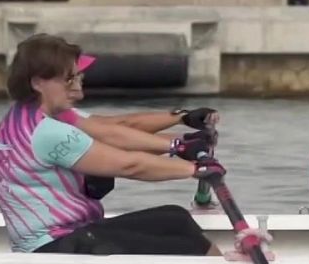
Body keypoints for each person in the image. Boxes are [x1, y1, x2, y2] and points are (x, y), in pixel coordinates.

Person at [0, 33, 222, 256]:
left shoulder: (32, 116)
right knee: (187, 246)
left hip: (71, 234)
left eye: (78, 77)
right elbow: (129, 165)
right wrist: (194, 168)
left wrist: (180, 133)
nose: (77, 89)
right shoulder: (47, 131)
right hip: (52, 247)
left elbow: (113, 132)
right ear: (38, 82)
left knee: (176, 218)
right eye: (69, 79)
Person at [54, 52, 219, 201]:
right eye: (73, 77)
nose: (80, 82)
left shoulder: (65, 114)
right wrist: (185, 155)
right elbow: (122, 156)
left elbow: (114, 128)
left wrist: (183, 122)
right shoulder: (53, 123)